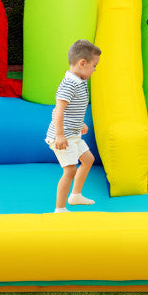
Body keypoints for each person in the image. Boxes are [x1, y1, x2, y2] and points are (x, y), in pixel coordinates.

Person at [45, 39, 101, 213]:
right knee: (69, 170)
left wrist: (79, 123)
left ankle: (75, 195)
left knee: (88, 159)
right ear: (82, 63)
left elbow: (71, 109)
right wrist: (60, 135)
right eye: (94, 65)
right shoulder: (69, 84)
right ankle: (60, 208)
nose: (94, 69)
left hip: (74, 133)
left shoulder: (79, 81)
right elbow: (59, 110)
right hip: (64, 136)